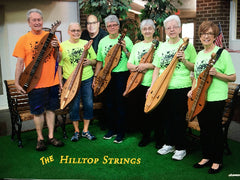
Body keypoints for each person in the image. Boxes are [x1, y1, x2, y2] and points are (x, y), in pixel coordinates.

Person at [188, 21, 236, 174]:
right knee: (204, 129)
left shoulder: (222, 53)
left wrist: (218, 74)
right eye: (203, 33)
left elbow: (233, 77)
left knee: (215, 130)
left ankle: (217, 160)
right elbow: (196, 77)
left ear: (215, 36)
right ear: (200, 36)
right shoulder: (200, 54)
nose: (206, 36)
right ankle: (206, 156)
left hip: (216, 98)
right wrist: (192, 90)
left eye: (209, 33)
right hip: (201, 99)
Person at [12, 8, 64, 151]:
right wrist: (17, 82)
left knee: (51, 110)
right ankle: (40, 138)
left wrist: (55, 49)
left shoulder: (51, 36)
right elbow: (20, 63)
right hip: (35, 84)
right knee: (38, 112)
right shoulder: (23, 40)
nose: (37, 22)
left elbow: (59, 60)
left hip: (52, 82)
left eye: (39, 19)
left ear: (42, 21)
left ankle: (51, 136)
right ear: (29, 23)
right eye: (34, 20)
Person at [149, 15, 197, 160]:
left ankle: (181, 147)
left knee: (178, 118)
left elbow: (194, 67)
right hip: (163, 88)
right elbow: (156, 68)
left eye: (174, 27)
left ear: (180, 28)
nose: (171, 30)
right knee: (167, 117)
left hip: (181, 86)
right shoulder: (162, 46)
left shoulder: (187, 45)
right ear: (165, 30)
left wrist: (184, 60)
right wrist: (152, 87)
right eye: (168, 27)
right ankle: (169, 144)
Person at [93, 15, 133, 143]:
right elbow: (99, 61)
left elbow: (132, 58)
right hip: (106, 76)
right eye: (109, 25)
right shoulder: (103, 41)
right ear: (106, 27)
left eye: (114, 25)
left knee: (120, 104)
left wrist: (125, 48)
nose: (112, 27)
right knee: (109, 104)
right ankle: (112, 130)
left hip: (121, 75)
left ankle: (121, 132)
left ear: (118, 26)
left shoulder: (126, 39)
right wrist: (96, 77)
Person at [127, 19, 163, 148]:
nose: (147, 31)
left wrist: (145, 65)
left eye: (149, 28)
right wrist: (138, 67)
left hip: (154, 84)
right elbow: (129, 64)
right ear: (141, 31)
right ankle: (145, 136)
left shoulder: (160, 45)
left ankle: (159, 138)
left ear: (154, 30)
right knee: (142, 112)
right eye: (144, 29)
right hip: (138, 84)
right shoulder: (137, 46)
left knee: (156, 112)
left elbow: (159, 65)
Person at [59, 22, 97, 142]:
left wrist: (89, 62)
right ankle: (76, 131)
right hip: (70, 81)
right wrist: (61, 83)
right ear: (68, 32)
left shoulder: (86, 44)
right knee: (74, 105)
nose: (76, 33)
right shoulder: (62, 46)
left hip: (86, 78)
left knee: (88, 104)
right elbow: (59, 66)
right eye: (73, 30)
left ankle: (85, 130)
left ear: (81, 32)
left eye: (78, 30)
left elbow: (95, 60)